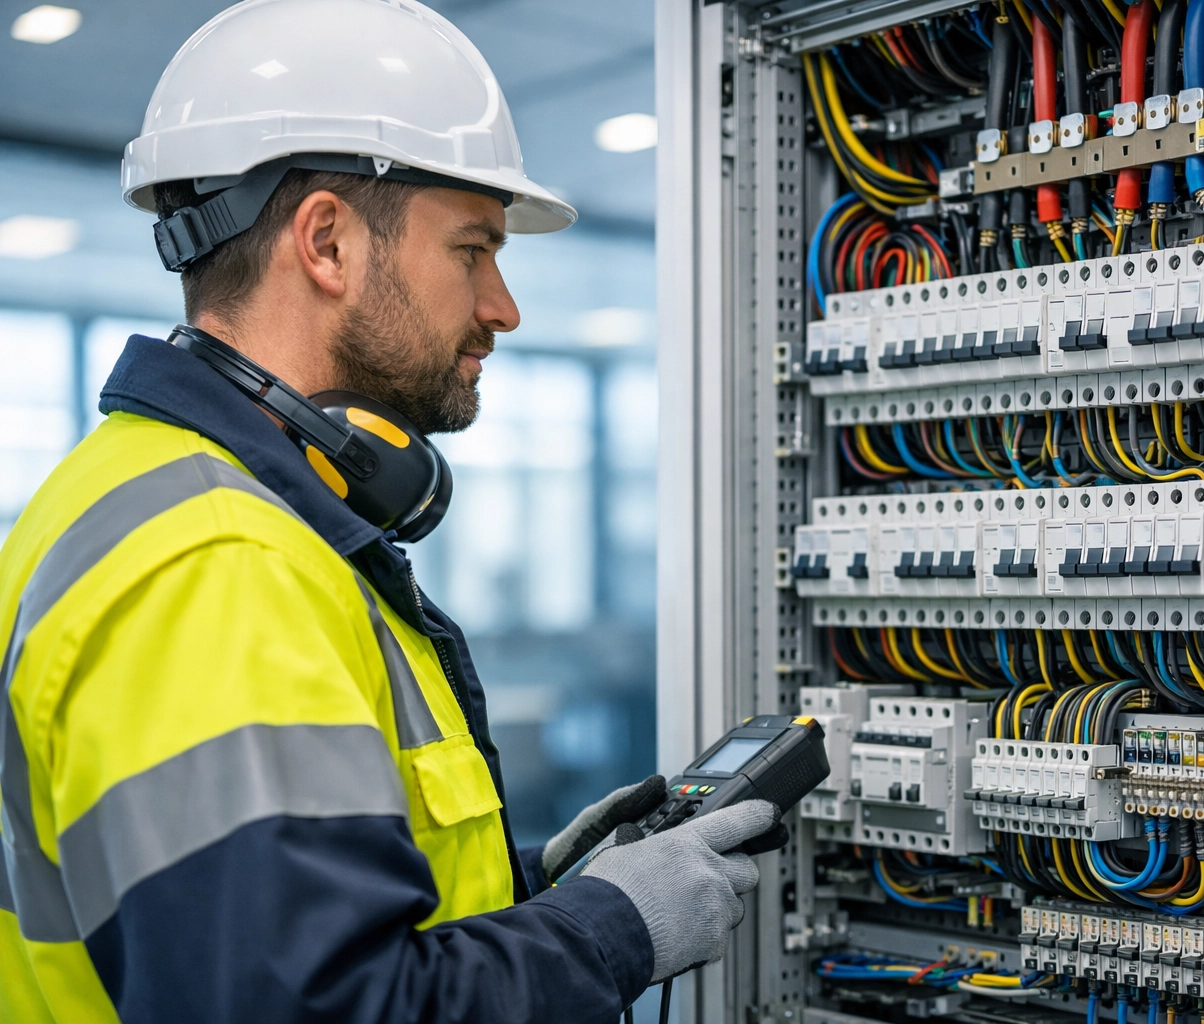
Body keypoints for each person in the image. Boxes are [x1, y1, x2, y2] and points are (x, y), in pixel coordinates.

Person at [0, 1, 779, 1020]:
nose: (503, 305)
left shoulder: (143, 495)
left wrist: (537, 891)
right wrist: (607, 930)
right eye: (471, 249)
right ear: (327, 241)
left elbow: (285, 939)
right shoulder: (221, 562)